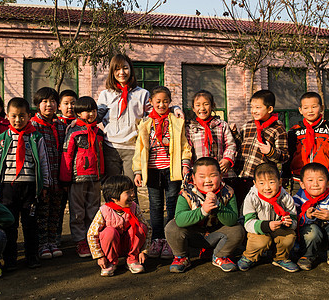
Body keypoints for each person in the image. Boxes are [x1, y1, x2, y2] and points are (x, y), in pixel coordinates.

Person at [97, 54, 183, 202]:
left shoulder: (142, 94)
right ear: (112, 72)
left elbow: (156, 112)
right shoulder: (106, 94)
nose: (122, 72)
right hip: (110, 147)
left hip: (132, 148)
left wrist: (174, 108)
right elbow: (96, 116)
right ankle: (113, 221)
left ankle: (133, 222)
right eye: (117, 69)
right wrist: (77, 120)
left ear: (131, 69)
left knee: (131, 190)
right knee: (112, 189)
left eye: (125, 68)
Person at [0, 97, 50, 269]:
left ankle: (32, 257)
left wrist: (45, 185)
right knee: (10, 224)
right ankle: (10, 259)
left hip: (30, 188)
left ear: (29, 116)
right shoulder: (2, 138)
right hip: (8, 188)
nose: (18, 120)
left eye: (22, 116)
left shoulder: (36, 137)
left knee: (30, 224)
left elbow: (44, 162)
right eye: (14, 116)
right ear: (7, 116)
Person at [133, 86, 192, 259]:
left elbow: (184, 145)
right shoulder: (145, 123)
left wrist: (185, 164)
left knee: (173, 203)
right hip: (152, 171)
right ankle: (157, 239)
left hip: (171, 170)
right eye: (157, 101)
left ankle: (170, 239)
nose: (161, 104)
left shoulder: (175, 121)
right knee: (155, 206)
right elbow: (140, 148)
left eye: (165, 101)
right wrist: (137, 171)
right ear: (150, 102)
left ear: (170, 102)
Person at [165, 157, 244, 273]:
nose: (208, 180)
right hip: (194, 234)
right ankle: (182, 257)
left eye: (213, 175)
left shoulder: (228, 192)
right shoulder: (186, 193)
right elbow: (180, 220)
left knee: (238, 230)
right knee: (171, 227)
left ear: (221, 176)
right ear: (194, 178)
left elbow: (232, 220)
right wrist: (203, 211)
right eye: (202, 177)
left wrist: (218, 206)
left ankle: (220, 255)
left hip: (216, 234)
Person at [60, 96, 104, 258]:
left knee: (93, 210)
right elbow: (67, 156)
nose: (90, 114)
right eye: (86, 110)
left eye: (93, 110)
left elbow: (101, 156)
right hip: (77, 179)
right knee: (77, 212)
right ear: (78, 113)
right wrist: (65, 179)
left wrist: (102, 175)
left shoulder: (98, 132)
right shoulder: (73, 132)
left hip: (95, 178)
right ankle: (80, 241)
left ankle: (92, 238)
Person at [231, 90, 289, 208]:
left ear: (270, 109)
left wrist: (270, 151)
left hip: (260, 180)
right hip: (240, 175)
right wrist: (234, 133)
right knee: (240, 205)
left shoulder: (278, 129)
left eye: (258, 107)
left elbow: (284, 156)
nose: (254, 111)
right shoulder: (248, 125)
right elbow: (239, 145)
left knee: (257, 207)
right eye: (252, 107)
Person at [237, 163, 299, 272]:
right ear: (255, 184)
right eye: (261, 183)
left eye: (271, 182)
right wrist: (266, 226)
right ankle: (249, 257)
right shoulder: (252, 198)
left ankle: (280, 258)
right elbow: (248, 223)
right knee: (261, 241)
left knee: (289, 237)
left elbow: (294, 218)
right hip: (258, 229)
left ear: (279, 182)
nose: (267, 187)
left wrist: (289, 223)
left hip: (279, 228)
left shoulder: (285, 197)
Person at [87, 175, 151, 276]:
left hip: (128, 245)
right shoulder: (104, 211)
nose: (132, 195)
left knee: (141, 227)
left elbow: (148, 229)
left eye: (132, 191)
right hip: (111, 247)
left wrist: (144, 251)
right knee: (109, 232)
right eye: (127, 192)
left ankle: (132, 259)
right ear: (114, 197)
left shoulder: (134, 207)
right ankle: (110, 261)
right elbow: (91, 234)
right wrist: (99, 256)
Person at [31, 87, 66, 259]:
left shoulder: (61, 126)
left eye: (52, 101)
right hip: (42, 180)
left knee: (55, 212)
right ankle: (42, 244)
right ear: (38, 104)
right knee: (42, 213)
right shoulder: (32, 126)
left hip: (58, 179)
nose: (49, 105)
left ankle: (53, 241)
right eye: (44, 101)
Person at [282, 92, 329, 190]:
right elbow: (288, 156)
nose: (310, 111)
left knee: (323, 205)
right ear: (300, 110)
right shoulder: (294, 131)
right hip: (299, 179)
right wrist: (284, 175)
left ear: (321, 108)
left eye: (314, 107)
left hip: (322, 179)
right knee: (299, 204)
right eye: (306, 108)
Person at [186, 89, 237, 186]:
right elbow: (187, 149)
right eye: (198, 105)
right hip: (201, 175)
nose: (202, 108)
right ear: (193, 108)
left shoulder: (221, 125)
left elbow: (230, 144)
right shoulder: (190, 127)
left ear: (213, 106)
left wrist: (227, 159)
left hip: (221, 172)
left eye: (206, 104)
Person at [56, 89, 77, 245]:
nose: (70, 107)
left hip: (78, 173)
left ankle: (80, 238)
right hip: (60, 172)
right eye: (66, 103)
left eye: (73, 103)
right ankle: (56, 236)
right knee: (59, 206)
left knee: (78, 209)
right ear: (59, 106)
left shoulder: (80, 123)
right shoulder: (56, 124)